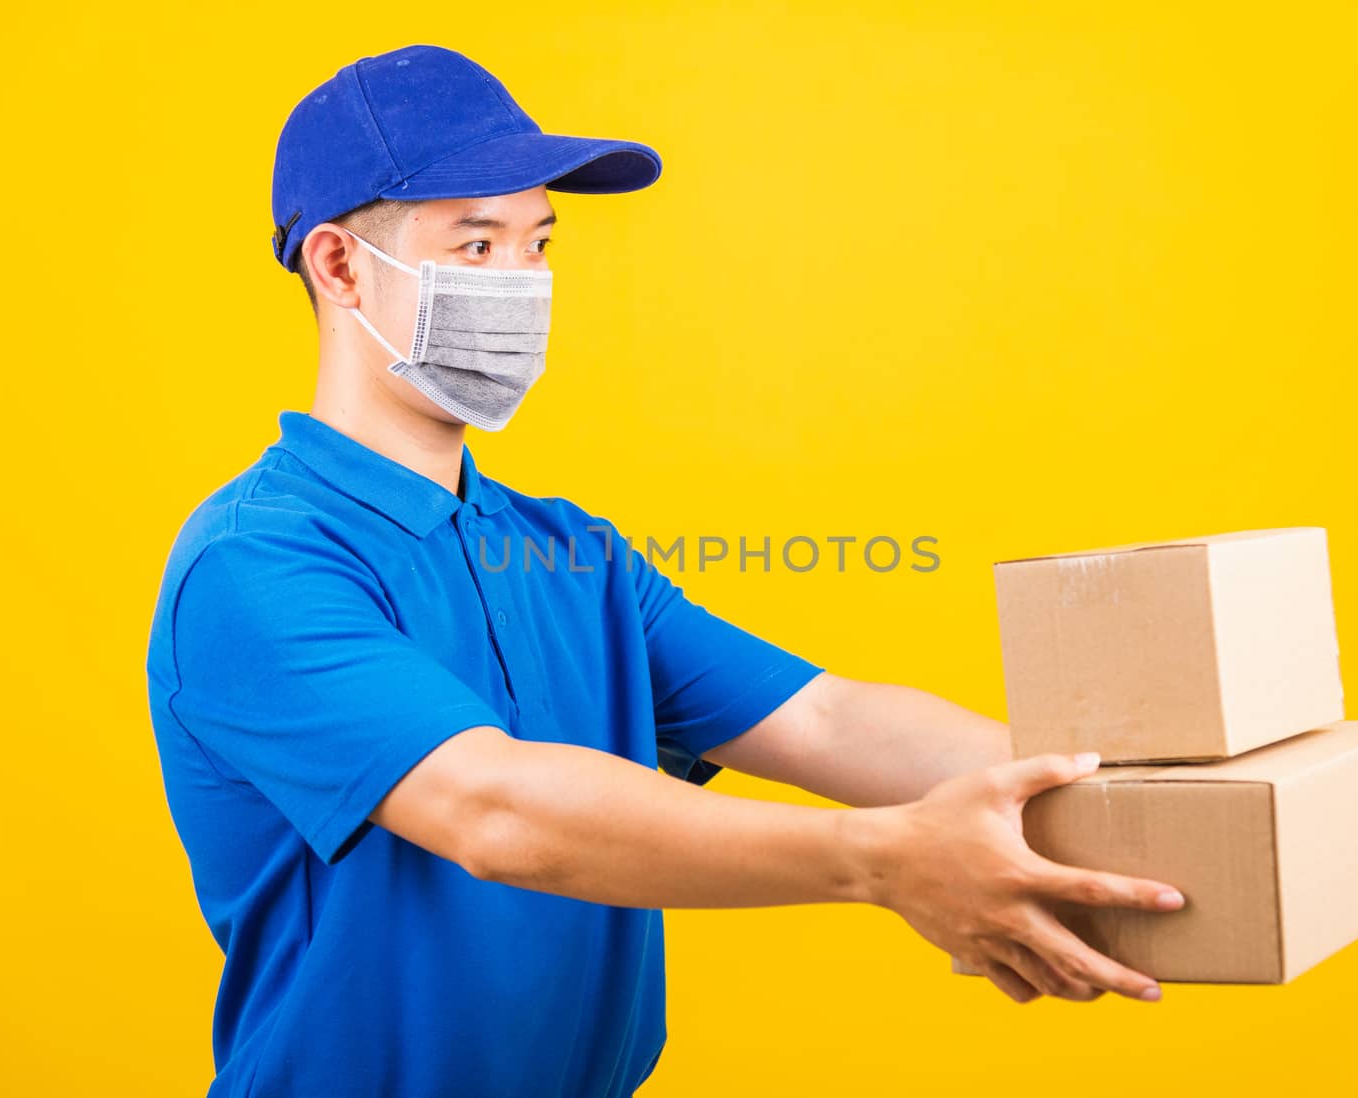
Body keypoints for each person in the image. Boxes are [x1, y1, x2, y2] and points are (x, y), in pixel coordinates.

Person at [145, 43, 1185, 1098]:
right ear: (337, 264)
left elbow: (825, 723)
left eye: (539, 243)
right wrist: (885, 861)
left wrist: (1140, 802)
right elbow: (494, 811)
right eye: (475, 245)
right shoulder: (257, 563)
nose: (523, 283)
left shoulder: (568, 553)